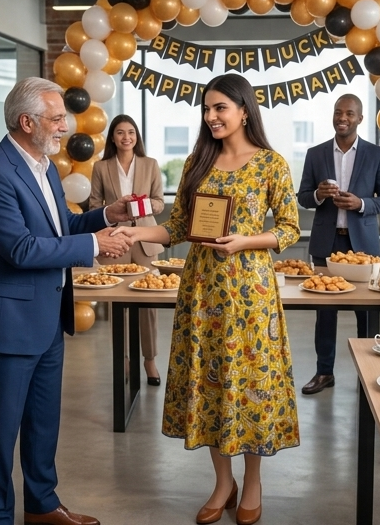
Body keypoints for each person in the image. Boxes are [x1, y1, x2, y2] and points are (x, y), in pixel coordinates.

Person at [112, 73, 300, 525]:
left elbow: (290, 229)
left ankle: (251, 482)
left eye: (220, 108)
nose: (211, 116)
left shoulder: (271, 164)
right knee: (210, 385)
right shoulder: (199, 160)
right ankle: (222, 482)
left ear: (243, 111)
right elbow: (178, 229)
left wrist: (247, 241)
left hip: (251, 295)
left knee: (250, 386)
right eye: (206, 108)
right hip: (202, 293)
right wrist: (138, 230)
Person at [0, 77, 133, 525]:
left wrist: (103, 217)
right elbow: (20, 249)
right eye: (56, 117)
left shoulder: (42, 165)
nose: (65, 126)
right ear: (27, 122)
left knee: (43, 425)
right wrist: (96, 246)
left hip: (47, 318)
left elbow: (58, 229)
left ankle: (42, 506)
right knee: (0, 436)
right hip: (9, 324)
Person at [296, 94, 380, 395]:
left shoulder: (376, 155)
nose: (343, 118)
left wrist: (361, 203)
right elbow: (302, 196)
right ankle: (324, 372)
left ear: (360, 119)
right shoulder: (315, 154)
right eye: (338, 112)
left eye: (350, 113)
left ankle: (369, 374)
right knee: (324, 314)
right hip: (326, 244)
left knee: (366, 315)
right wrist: (318, 195)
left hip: (363, 248)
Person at [89, 114, 165, 385]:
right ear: (113, 137)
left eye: (131, 132)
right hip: (116, 238)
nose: (126, 137)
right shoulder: (101, 167)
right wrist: (114, 213)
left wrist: (143, 206)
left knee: (149, 306)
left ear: (137, 136)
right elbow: (95, 206)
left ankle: (150, 360)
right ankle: (123, 359)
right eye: (120, 133)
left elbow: (159, 202)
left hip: (145, 239)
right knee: (117, 304)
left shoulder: (150, 164)